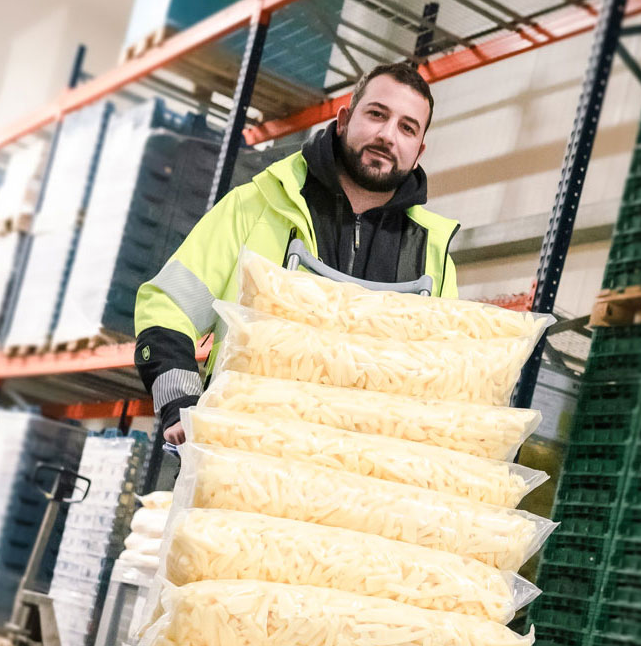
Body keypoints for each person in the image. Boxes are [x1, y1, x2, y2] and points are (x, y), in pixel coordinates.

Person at [134, 61, 459, 445]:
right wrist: (180, 401)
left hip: (360, 471)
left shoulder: (433, 256)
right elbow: (169, 306)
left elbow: (443, 382)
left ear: (419, 151)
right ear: (344, 120)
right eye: (377, 114)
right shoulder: (257, 206)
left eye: (407, 128)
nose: (388, 135)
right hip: (239, 456)